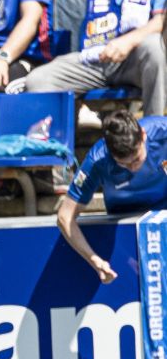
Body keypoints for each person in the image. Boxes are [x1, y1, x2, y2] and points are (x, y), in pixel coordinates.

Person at [58, 111, 167, 284]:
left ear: (144, 136)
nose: (133, 169)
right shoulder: (97, 160)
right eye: (123, 164)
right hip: (125, 233)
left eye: (137, 159)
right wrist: (94, 259)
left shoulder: (163, 131)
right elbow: (65, 217)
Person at [25, 0, 165, 118]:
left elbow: (161, 20)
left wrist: (128, 41)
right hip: (93, 56)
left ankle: (154, 136)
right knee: (38, 80)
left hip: (134, 59)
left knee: (154, 47)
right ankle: (56, 145)